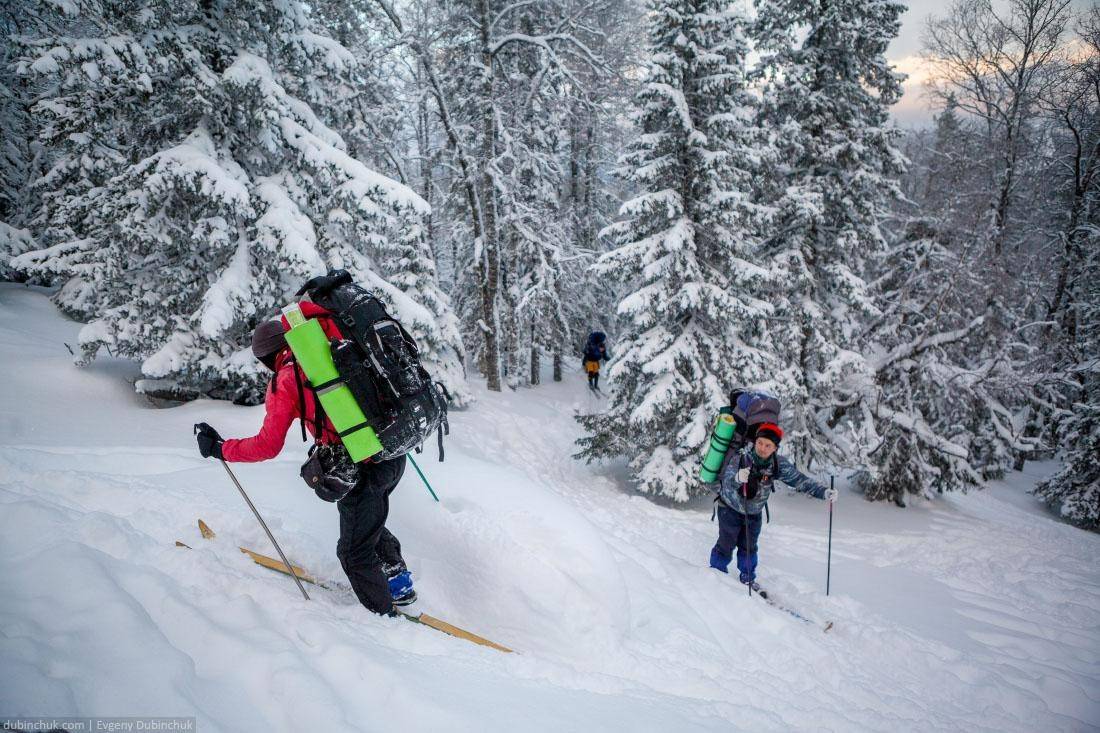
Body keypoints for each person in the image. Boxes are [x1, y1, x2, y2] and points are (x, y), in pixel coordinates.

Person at [194, 314, 416, 616]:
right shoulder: (333, 350)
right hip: (392, 451)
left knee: (353, 552)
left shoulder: (287, 378)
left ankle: (383, 617)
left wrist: (222, 449)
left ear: (266, 357)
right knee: (367, 518)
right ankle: (397, 583)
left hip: (360, 466)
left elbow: (268, 445)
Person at [708, 423, 837, 587]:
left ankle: (748, 578)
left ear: (775, 448)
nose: (762, 448)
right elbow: (726, 484)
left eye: (768, 445)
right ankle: (716, 574)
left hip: (754, 513)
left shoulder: (778, 464)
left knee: (749, 547)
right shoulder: (741, 458)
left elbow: (799, 480)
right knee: (726, 544)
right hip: (729, 509)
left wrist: (823, 492)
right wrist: (737, 479)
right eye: (760, 443)